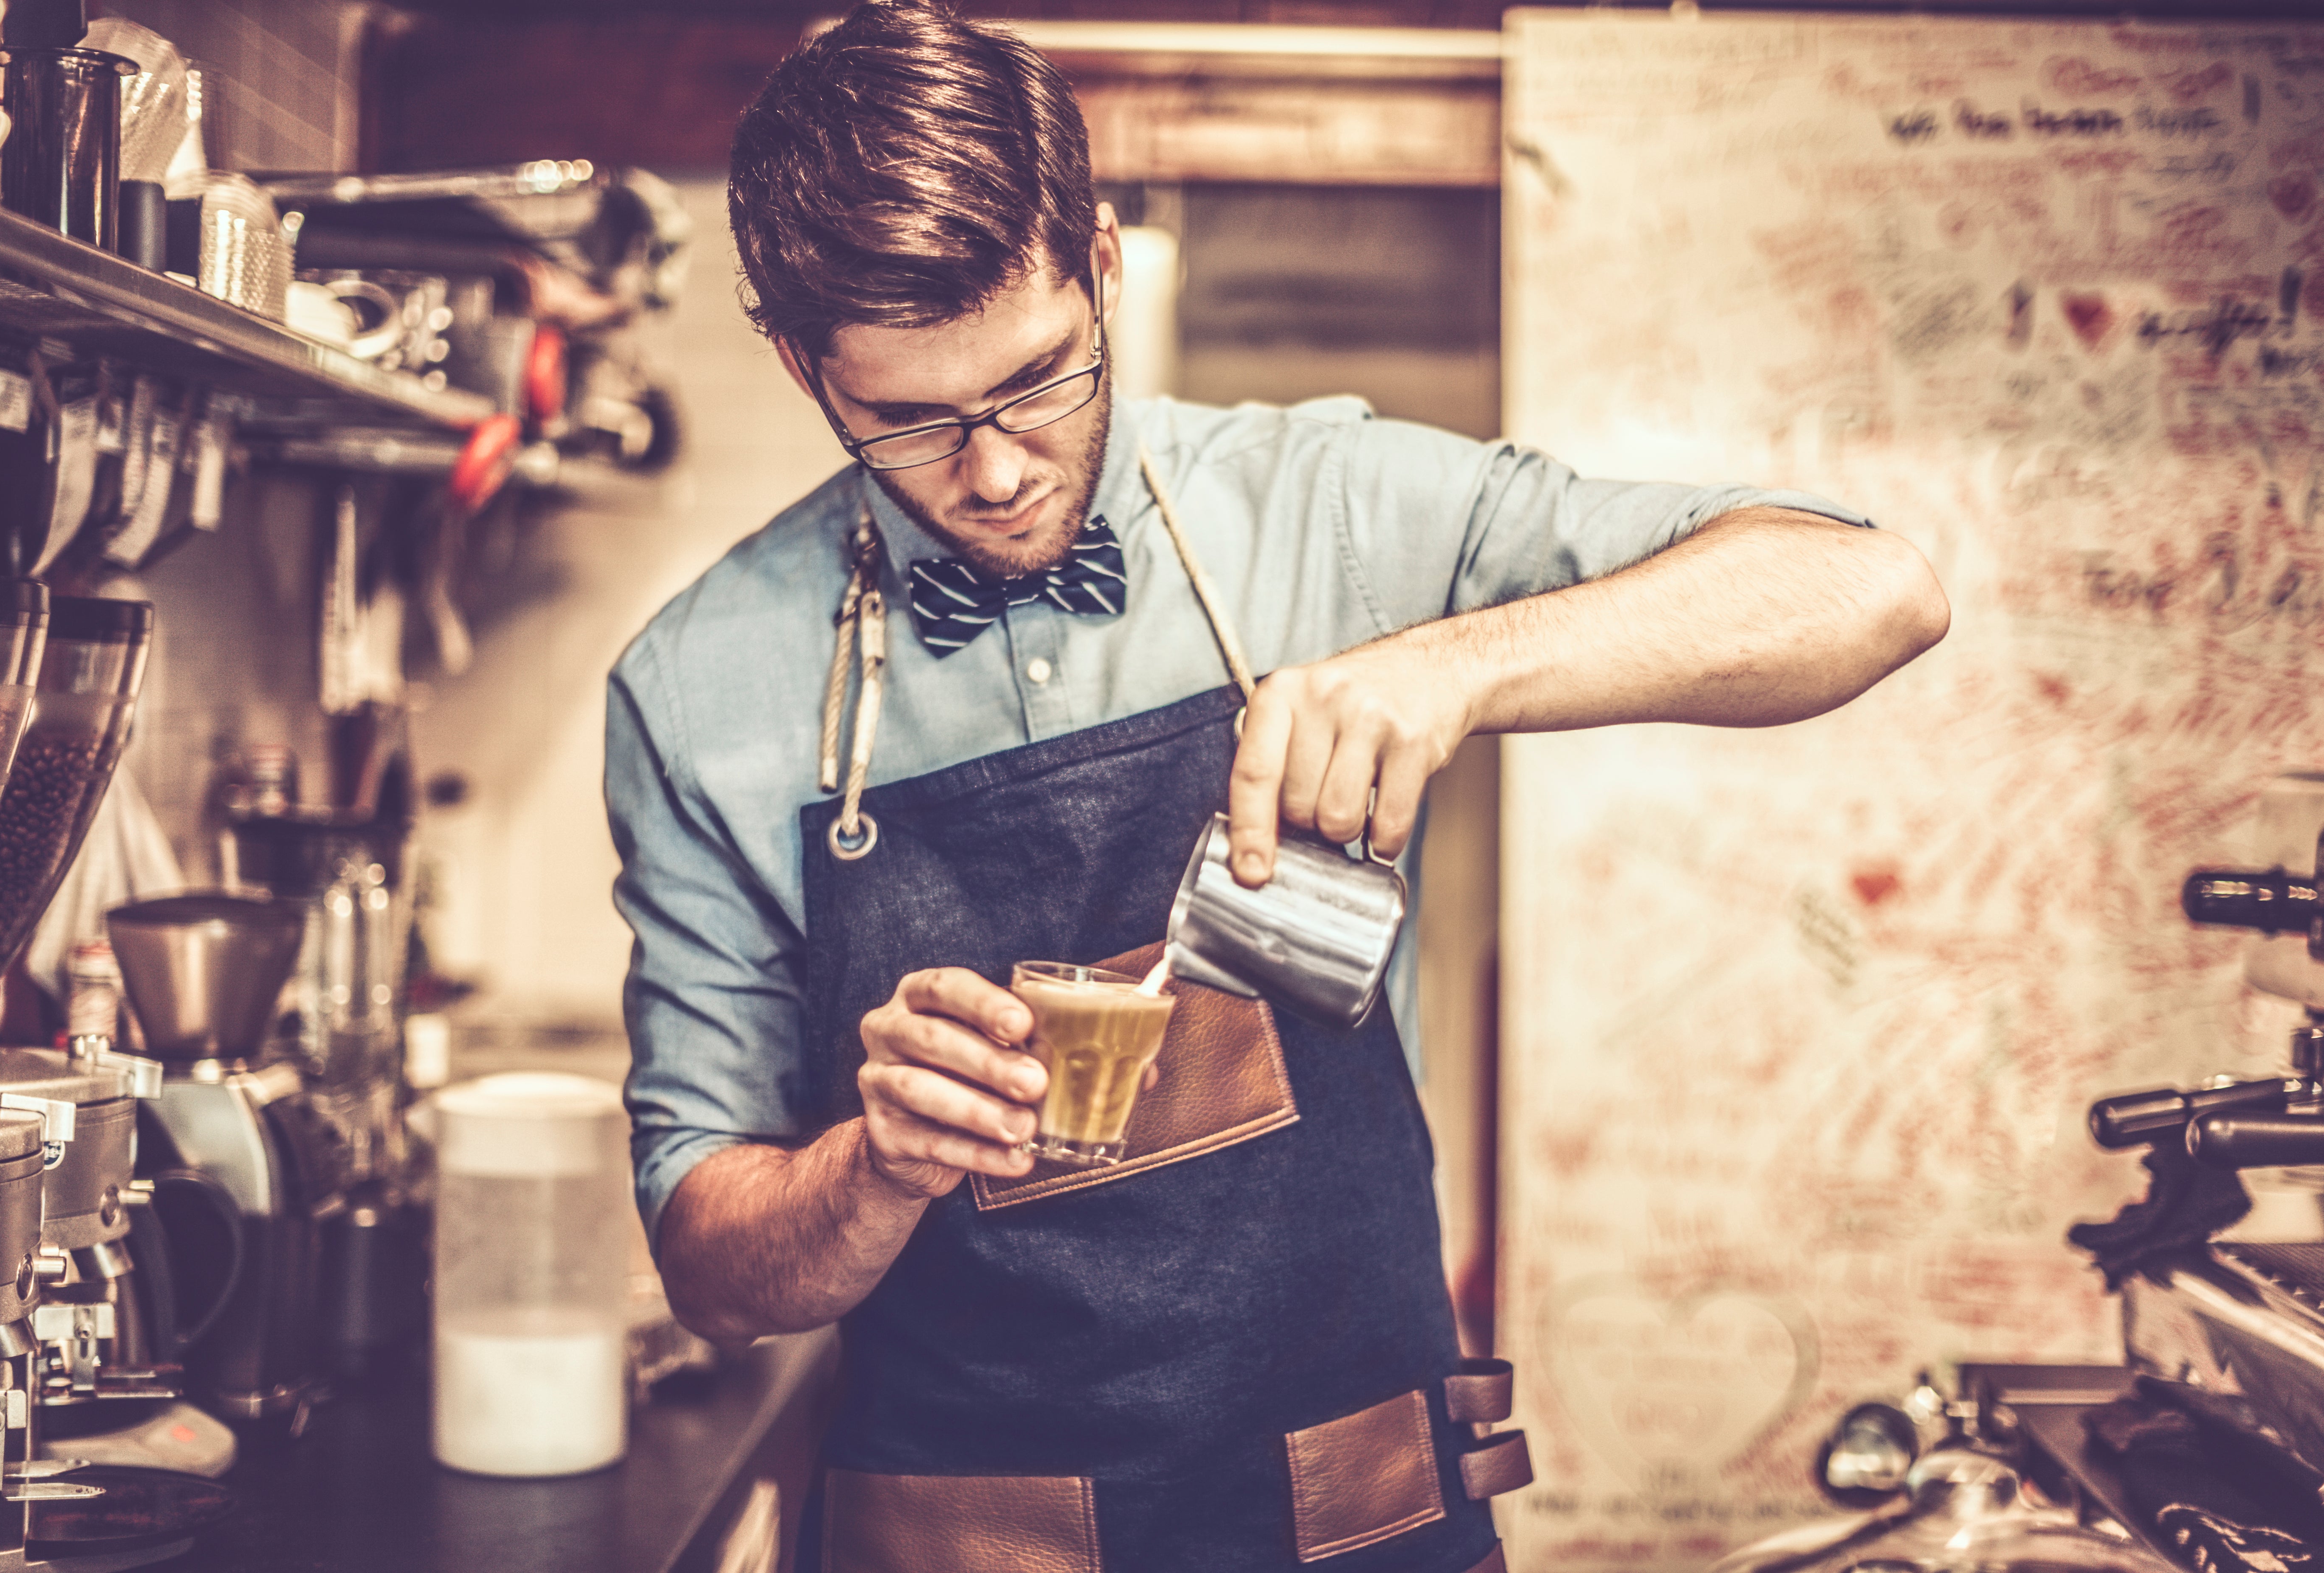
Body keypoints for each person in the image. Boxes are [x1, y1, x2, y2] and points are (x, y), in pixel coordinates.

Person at [604, 5, 1949, 1570]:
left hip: (1364, 1502)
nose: (992, 472)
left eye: (1037, 381)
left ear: (1099, 265)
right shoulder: (699, 693)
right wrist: (872, 1163)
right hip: (961, 1535)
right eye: (907, 417)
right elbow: (710, 1265)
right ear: (795, 362)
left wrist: (1459, 666)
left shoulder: (1331, 507)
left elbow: (1870, 593)